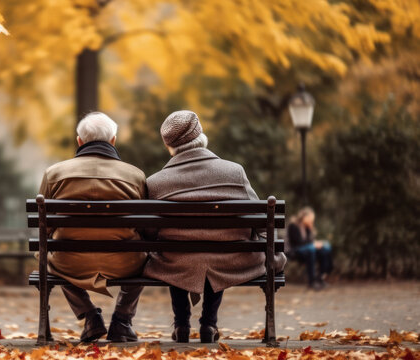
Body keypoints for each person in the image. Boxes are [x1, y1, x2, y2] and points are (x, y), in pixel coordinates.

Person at [142, 110, 287, 343]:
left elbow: (149, 233)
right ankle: (209, 324)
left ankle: (181, 325)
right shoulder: (234, 172)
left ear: (169, 146)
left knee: (177, 254)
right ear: (202, 137)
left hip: (177, 261)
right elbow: (261, 219)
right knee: (215, 253)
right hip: (228, 259)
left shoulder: (155, 182)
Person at [39, 112, 148, 343]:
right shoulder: (135, 175)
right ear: (113, 141)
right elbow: (145, 228)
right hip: (124, 263)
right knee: (146, 255)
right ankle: (122, 320)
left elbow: (45, 228)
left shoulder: (54, 173)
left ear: (79, 141)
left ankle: (90, 317)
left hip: (71, 263)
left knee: (50, 258)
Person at [287, 207, 333, 290]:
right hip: (296, 251)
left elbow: (311, 241)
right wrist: (313, 244)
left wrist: (313, 237)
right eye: (310, 218)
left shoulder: (307, 227)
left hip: (308, 250)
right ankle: (312, 282)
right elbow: (297, 242)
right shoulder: (293, 226)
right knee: (311, 249)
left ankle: (320, 278)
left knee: (326, 248)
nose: (312, 221)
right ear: (304, 217)